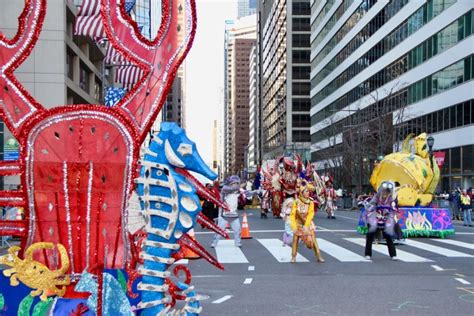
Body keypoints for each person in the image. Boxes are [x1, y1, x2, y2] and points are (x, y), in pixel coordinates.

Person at [289, 181, 325, 263]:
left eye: (308, 191)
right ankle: (293, 256)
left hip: (307, 223)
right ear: (301, 193)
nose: (308, 193)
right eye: (306, 191)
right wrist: (294, 226)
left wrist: (307, 224)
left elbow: (311, 213)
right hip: (298, 223)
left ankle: (318, 255)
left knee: (313, 239)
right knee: (295, 239)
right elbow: (292, 214)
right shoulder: (296, 202)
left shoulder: (311, 202)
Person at [364, 181, 398, 261]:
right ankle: (368, 254)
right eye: (383, 190)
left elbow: (394, 207)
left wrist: (392, 209)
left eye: (387, 191)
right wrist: (371, 207)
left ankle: (393, 255)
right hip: (376, 218)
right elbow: (371, 204)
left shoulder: (390, 199)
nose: (384, 192)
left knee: (388, 236)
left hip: (385, 219)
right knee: (370, 235)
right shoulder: (376, 197)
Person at [211, 175, 242, 247]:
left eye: (237, 183)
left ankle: (237, 242)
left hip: (234, 214)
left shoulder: (237, 190)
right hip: (224, 214)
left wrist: (255, 192)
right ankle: (214, 242)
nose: (236, 184)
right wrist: (239, 187)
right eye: (234, 183)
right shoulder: (225, 189)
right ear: (230, 183)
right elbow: (232, 189)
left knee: (237, 229)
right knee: (220, 230)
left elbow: (246, 193)